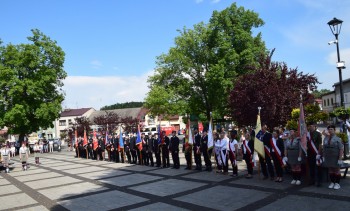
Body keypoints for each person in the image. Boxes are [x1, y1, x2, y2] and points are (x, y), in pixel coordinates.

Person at [323, 125, 344, 190]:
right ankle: (332, 182)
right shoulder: (326, 138)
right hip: (328, 157)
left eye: (331, 129)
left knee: (337, 170)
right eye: (329, 129)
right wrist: (323, 156)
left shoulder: (338, 139)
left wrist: (340, 159)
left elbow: (341, 149)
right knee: (330, 170)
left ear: (334, 130)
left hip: (335, 156)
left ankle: (337, 183)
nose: (330, 130)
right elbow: (324, 148)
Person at [307, 122, 323, 186]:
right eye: (310, 126)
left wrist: (319, 153)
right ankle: (312, 180)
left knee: (318, 167)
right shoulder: (307, 134)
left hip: (316, 152)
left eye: (312, 126)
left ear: (315, 127)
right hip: (309, 152)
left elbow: (320, 144)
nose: (311, 127)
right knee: (311, 167)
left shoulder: (318, 134)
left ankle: (319, 181)